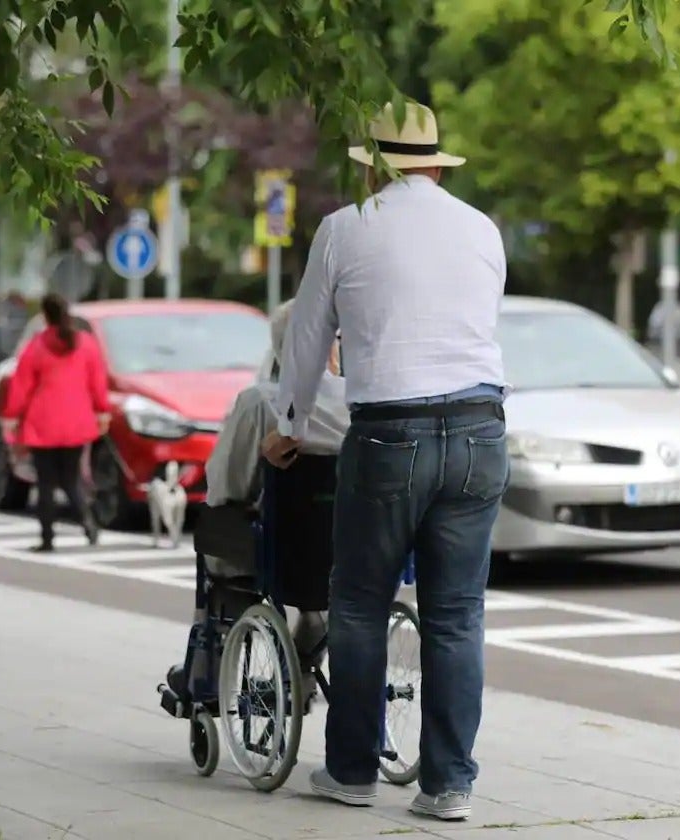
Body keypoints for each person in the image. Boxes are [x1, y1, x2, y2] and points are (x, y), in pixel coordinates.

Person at [263, 101, 508, 822]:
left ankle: (351, 772)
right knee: (457, 614)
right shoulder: (482, 229)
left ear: (371, 168)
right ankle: (449, 786)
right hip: (480, 427)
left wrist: (288, 426)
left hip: (389, 433)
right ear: (437, 167)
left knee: (360, 602)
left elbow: (308, 338)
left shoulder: (344, 229)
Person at [181, 300, 348, 698]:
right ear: (332, 348)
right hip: (353, 548)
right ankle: (305, 656)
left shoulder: (260, 402)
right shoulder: (361, 404)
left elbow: (226, 485)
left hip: (282, 550)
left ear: (280, 349)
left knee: (220, 549)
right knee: (321, 576)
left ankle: (205, 677)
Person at [1, 293, 110, 552]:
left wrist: (11, 416)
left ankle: (47, 538)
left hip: (43, 423)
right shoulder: (86, 344)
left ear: (45, 315)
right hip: (76, 422)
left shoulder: (37, 346)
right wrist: (102, 411)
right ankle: (88, 523)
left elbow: (21, 385)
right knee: (71, 479)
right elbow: (97, 382)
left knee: (46, 484)